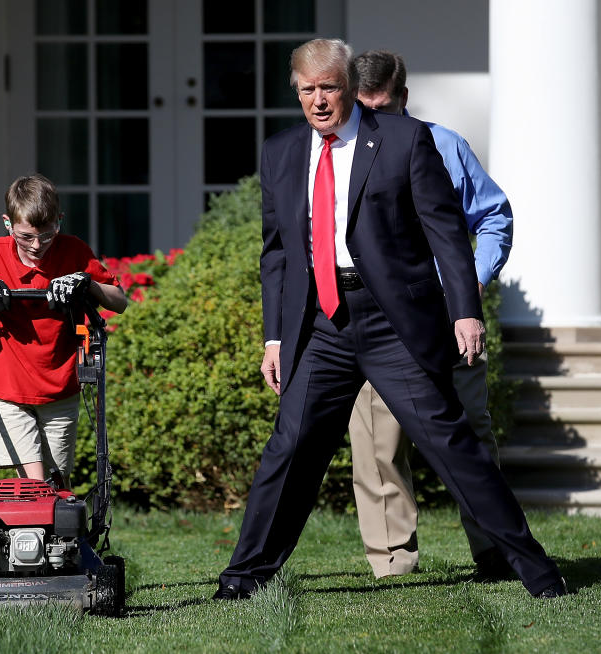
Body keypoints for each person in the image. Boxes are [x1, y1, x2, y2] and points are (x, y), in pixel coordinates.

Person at [213, 38, 566, 600]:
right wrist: (275, 337)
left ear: (349, 86)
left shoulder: (403, 140)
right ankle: (243, 578)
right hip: (321, 326)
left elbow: (446, 231)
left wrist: (465, 312)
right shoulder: (281, 153)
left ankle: (538, 573)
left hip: (393, 324)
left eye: (328, 86)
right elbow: (277, 252)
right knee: (290, 449)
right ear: (296, 92)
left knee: (453, 445)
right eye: (307, 89)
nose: (318, 100)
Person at [348, 50, 514, 581]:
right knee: (378, 444)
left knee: (470, 436)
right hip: (373, 321)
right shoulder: (332, 155)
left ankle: (495, 551)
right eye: (363, 107)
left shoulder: (445, 145)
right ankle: (393, 561)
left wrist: (470, 285)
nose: (374, 117)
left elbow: (493, 217)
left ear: (404, 97)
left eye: (384, 106)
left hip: (445, 319)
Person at [0, 174, 127, 485]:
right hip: (6, 382)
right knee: (36, 486)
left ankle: (56, 534)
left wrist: (87, 282)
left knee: (57, 482)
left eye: (47, 235)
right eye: (26, 237)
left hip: (61, 381)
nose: (37, 246)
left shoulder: (73, 251)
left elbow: (119, 302)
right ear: (8, 223)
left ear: (59, 221)